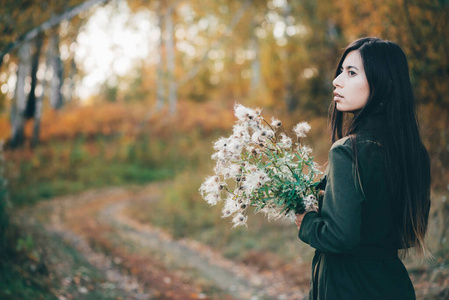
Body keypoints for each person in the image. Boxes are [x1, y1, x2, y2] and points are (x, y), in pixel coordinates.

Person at [295, 37, 431, 300]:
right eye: (341, 71)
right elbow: (410, 234)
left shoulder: (347, 150)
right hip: (393, 285)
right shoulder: (414, 153)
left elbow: (339, 238)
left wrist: (307, 221)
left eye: (352, 73)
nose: (337, 80)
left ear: (384, 86)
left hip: (346, 287)